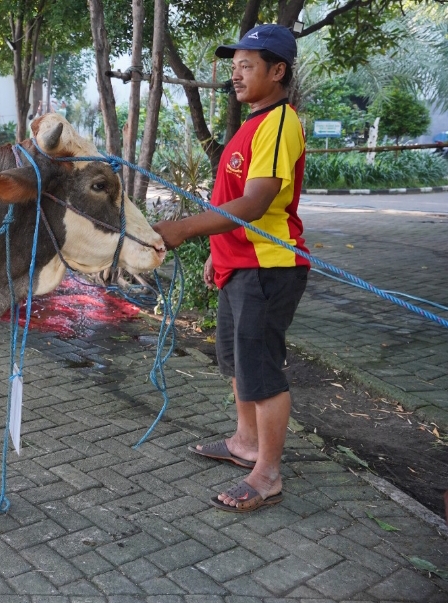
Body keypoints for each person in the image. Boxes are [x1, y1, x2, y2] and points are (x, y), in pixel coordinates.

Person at [152, 23, 308, 513]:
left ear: (277, 71)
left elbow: (257, 202)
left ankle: (268, 473)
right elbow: (234, 199)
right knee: (236, 363)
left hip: (268, 266)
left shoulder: (281, 121)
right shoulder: (253, 122)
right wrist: (219, 259)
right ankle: (244, 443)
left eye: (248, 66)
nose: (236, 76)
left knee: (261, 370)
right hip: (239, 265)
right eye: (235, 66)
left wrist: (184, 229)